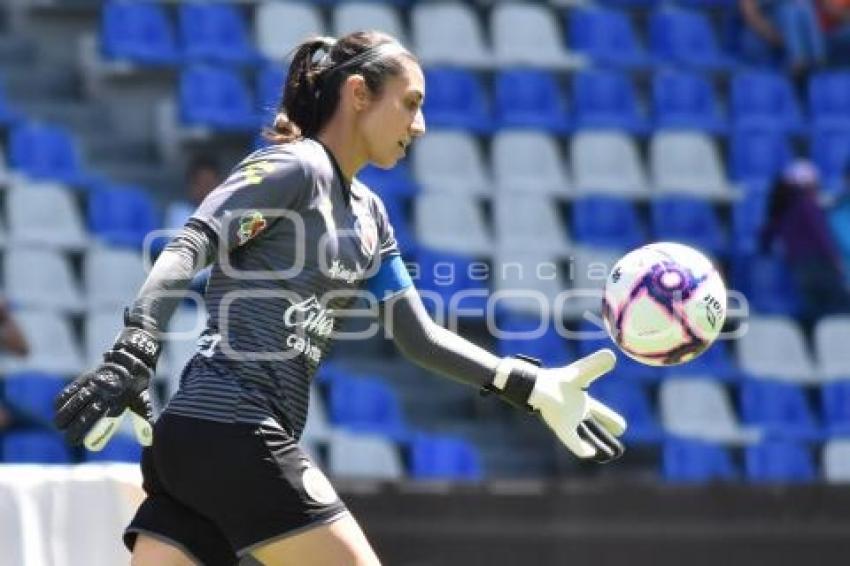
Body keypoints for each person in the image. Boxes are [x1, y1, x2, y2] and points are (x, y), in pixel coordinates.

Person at [53, 31, 626, 566]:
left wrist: (524, 384)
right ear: (358, 94)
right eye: (410, 103)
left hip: (200, 440)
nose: (420, 125)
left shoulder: (372, 215)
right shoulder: (292, 166)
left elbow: (418, 336)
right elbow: (192, 242)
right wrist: (136, 347)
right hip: (236, 429)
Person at [761, 160, 850, 324]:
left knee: (817, 312)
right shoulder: (808, 205)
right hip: (819, 265)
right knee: (838, 311)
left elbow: (767, 234)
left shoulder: (783, 208)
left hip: (799, 265)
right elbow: (821, 236)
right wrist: (835, 259)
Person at [739, 0, 826, 77]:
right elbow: (750, 13)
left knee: (803, 6)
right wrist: (771, 34)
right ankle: (798, 62)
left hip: (788, 32)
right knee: (789, 11)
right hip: (759, 34)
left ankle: (817, 58)